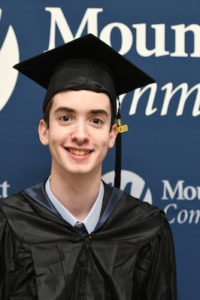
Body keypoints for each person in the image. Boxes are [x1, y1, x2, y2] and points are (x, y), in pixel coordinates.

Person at [0, 34, 177, 300]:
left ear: (112, 134)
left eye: (95, 120)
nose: (80, 134)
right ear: (44, 131)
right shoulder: (8, 224)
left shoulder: (147, 229)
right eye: (66, 117)